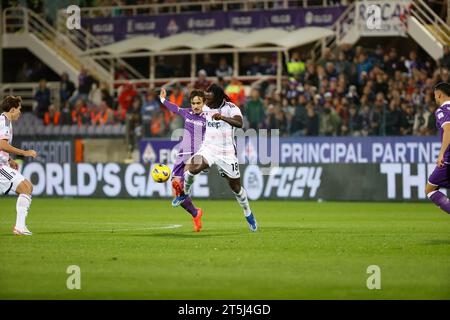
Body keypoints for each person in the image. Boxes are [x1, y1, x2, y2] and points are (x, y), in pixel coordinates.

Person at [176, 83, 258, 232]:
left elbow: (240, 123)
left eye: (209, 97)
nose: (206, 99)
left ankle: (248, 212)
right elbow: (191, 109)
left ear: (218, 97)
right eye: (205, 96)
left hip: (226, 153)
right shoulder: (205, 106)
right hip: (208, 148)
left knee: (236, 187)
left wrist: (222, 117)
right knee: (193, 167)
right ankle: (183, 193)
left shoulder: (231, 108)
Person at [159, 88, 206, 232]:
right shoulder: (187, 113)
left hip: (198, 154)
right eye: (193, 103)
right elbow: (175, 108)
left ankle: (184, 187)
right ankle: (195, 213)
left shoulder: (209, 117)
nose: (196, 106)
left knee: (186, 175)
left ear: (204, 103)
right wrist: (163, 100)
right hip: (182, 155)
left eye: (198, 103)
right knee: (175, 192)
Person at [0, 96, 38, 235]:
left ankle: (20, 227)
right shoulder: (3, 121)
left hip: (3, 164)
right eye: (19, 109)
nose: (20, 112)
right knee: (25, 187)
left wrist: (9, 159)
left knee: (27, 187)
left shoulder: (6, 121)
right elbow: (2, 145)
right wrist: (25, 152)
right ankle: (19, 227)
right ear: (12, 109)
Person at [425, 82, 450, 215]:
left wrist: (441, 154)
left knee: (430, 189)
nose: (435, 98)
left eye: (435, 96)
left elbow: (448, 130)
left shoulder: (442, 110)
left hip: (448, 159)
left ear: (439, 95)